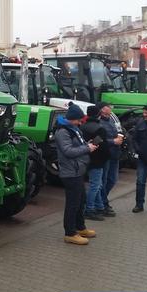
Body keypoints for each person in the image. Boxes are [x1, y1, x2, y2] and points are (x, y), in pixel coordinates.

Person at [54, 103, 98, 245]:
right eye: (79, 120)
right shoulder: (63, 132)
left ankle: (80, 227)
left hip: (78, 171)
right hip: (70, 172)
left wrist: (88, 144)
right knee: (73, 203)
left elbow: (79, 145)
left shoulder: (74, 129)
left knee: (81, 200)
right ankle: (70, 233)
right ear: (71, 118)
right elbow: (68, 151)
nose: (81, 122)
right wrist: (86, 149)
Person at [80, 106, 111, 221]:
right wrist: (108, 156)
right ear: (98, 115)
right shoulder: (99, 128)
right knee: (95, 185)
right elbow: (102, 146)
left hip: (85, 158)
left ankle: (99, 206)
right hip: (98, 160)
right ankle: (89, 209)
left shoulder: (82, 127)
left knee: (97, 185)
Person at [97, 102, 124, 214]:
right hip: (106, 155)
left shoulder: (112, 119)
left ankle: (102, 200)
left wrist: (121, 137)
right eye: (107, 107)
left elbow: (118, 130)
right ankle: (102, 202)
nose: (109, 109)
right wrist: (113, 141)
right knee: (103, 180)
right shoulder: (99, 123)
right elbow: (99, 140)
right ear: (101, 110)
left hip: (115, 154)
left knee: (112, 180)